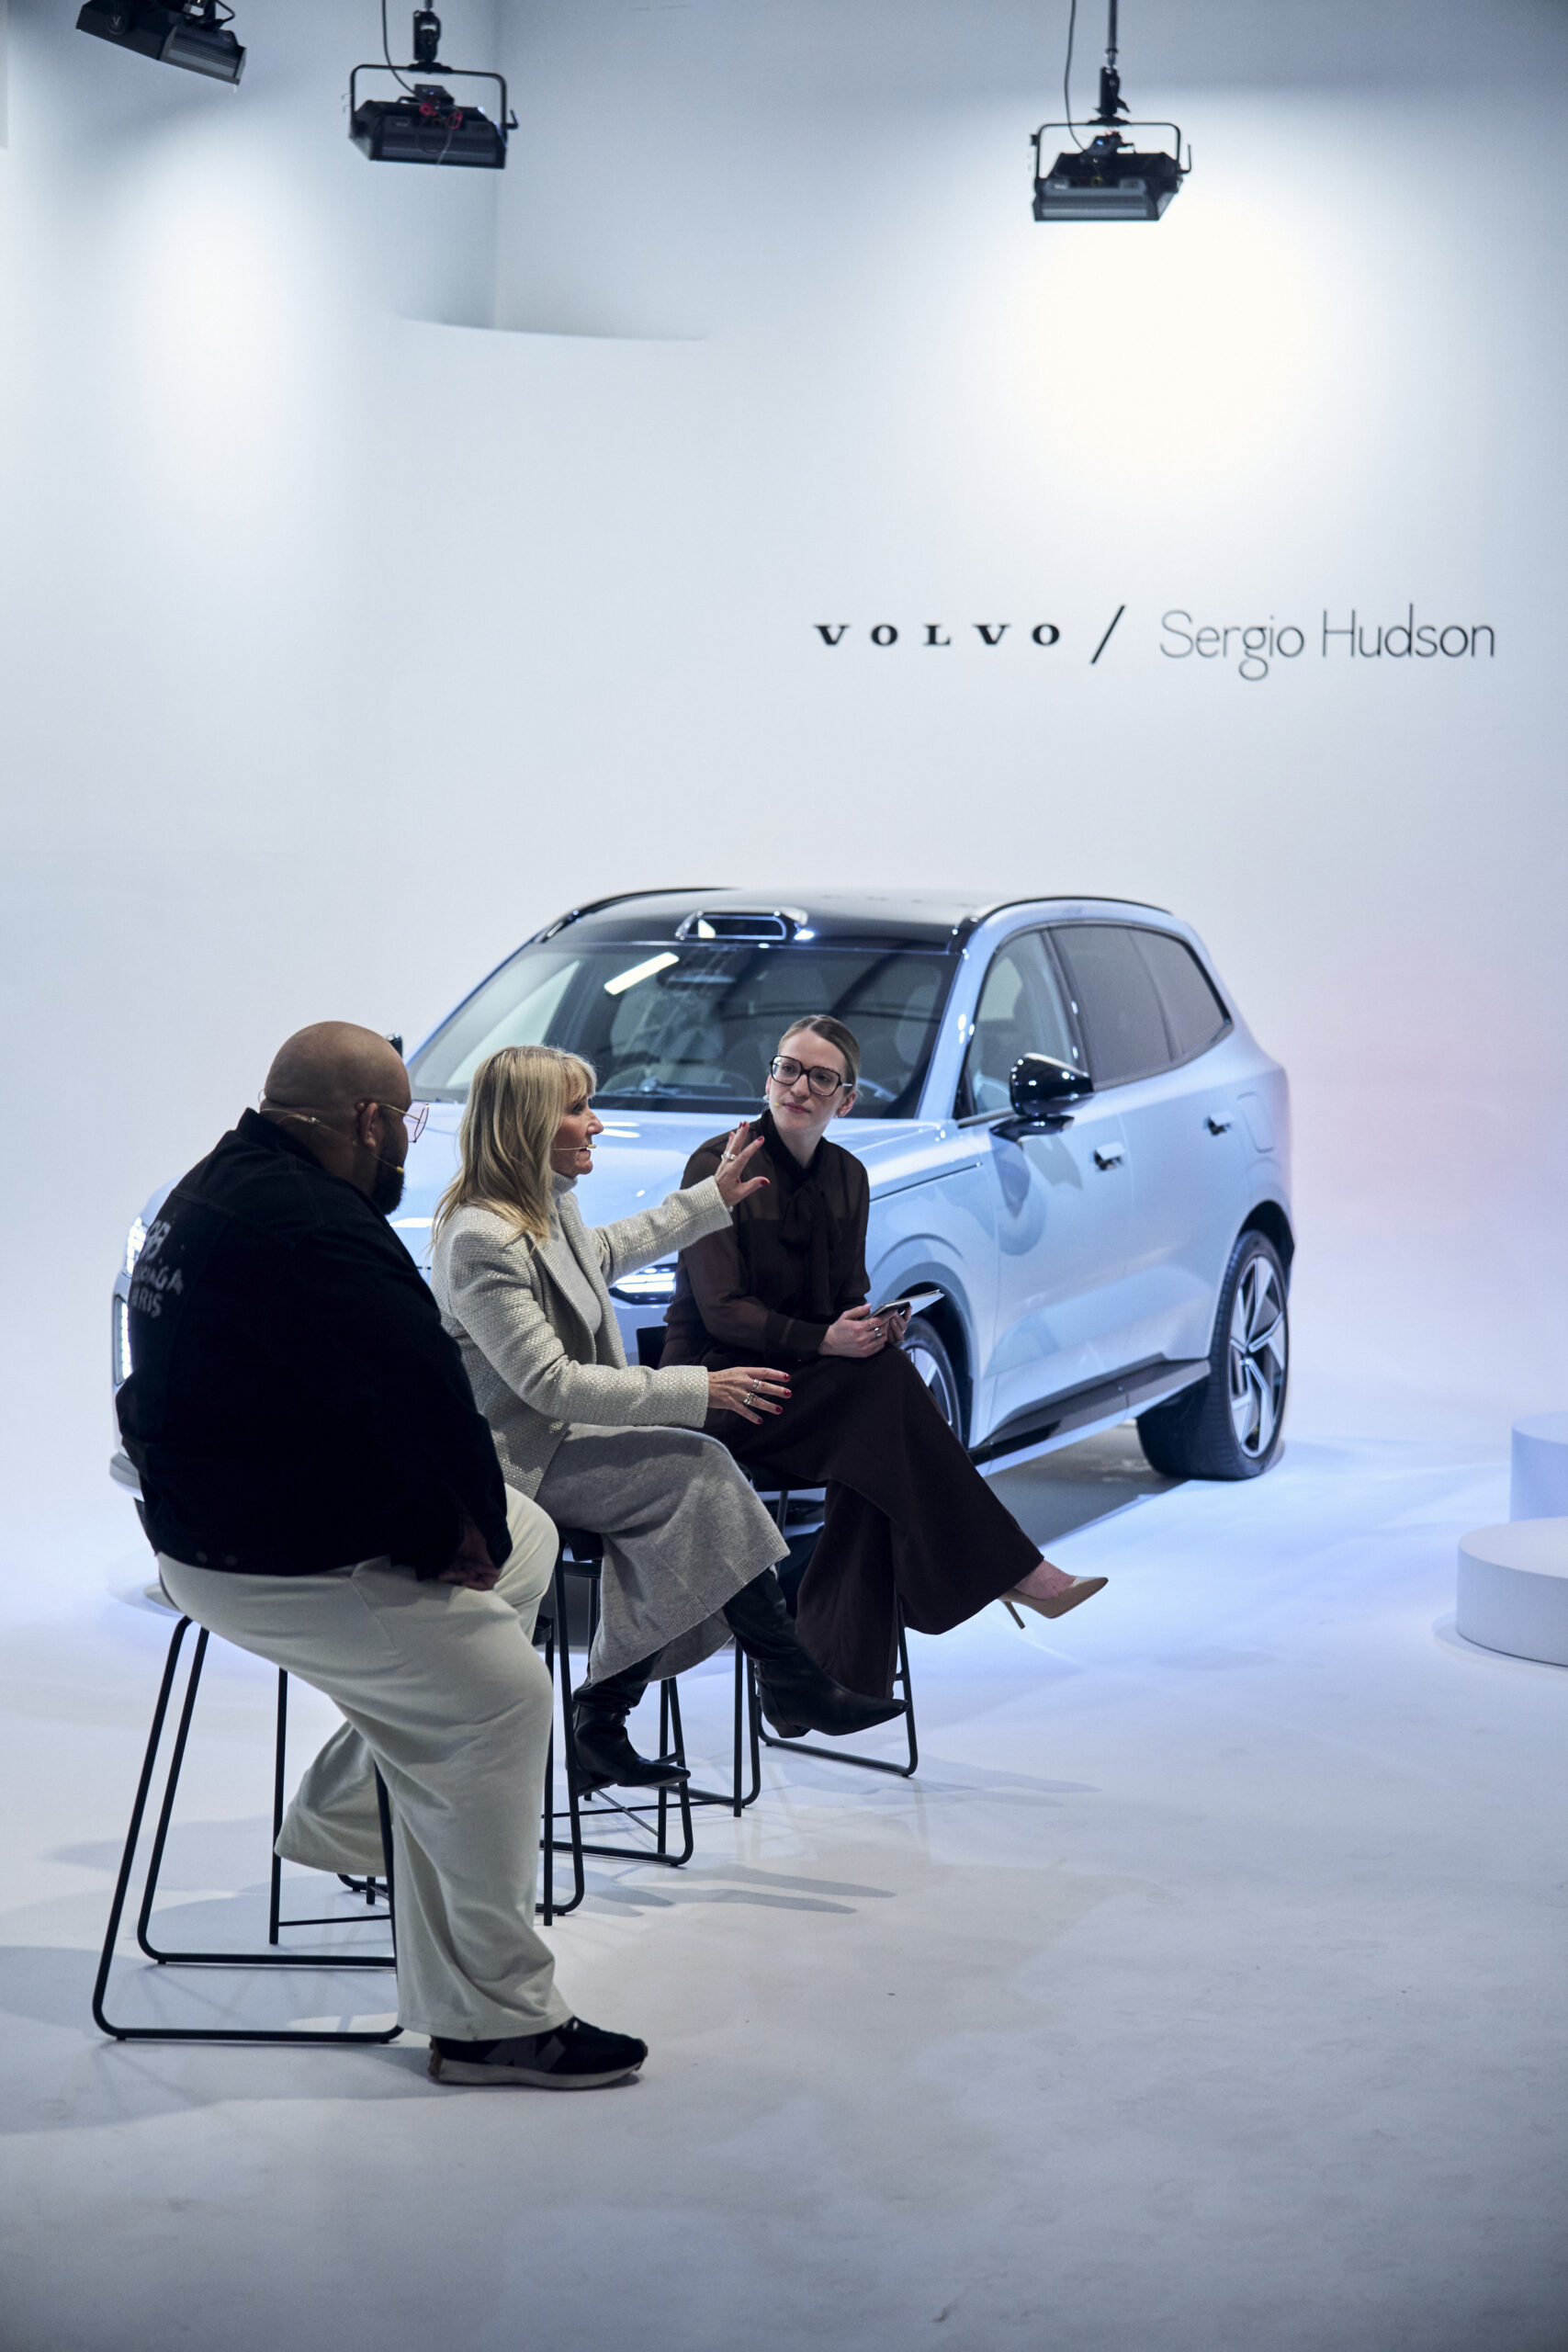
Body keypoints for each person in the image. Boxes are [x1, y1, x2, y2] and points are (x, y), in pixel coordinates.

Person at [115, 1021, 644, 2091]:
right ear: (369, 1122)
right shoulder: (314, 1228)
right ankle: (495, 2021)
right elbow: (422, 1396)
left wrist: (480, 1526)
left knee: (530, 1536)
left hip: (220, 1520)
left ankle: (349, 1811)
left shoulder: (217, 1185)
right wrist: (457, 1533)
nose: (410, 1139)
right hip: (265, 1554)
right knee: (501, 1700)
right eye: (405, 1118)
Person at [428, 1046, 904, 1789]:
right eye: (578, 1108)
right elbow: (549, 1385)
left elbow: (602, 1253)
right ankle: (771, 1679)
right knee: (698, 1473)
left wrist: (710, 1198)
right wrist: (699, 1388)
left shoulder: (545, 1204)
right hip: (514, 1461)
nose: (595, 1123)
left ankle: (612, 1716)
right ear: (526, 1123)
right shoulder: (480, 1239)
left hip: (561, 1442)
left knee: (688, 1497)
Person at [660, 1015, 1108, 1699]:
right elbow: (721, 1310)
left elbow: (846, 1295)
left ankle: (821, 1686)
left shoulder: (848, 1176)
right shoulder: (718, 1165)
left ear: (846, 1100)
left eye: (820, 1078)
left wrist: (870, 1327)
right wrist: (824, 1341)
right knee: (882, 1405)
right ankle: (1008, 1573)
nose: (798, 1087)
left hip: (809, 1386)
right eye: (788, 1069)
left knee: (877, 1426)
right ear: (768, 1078)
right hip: (723, 1386)